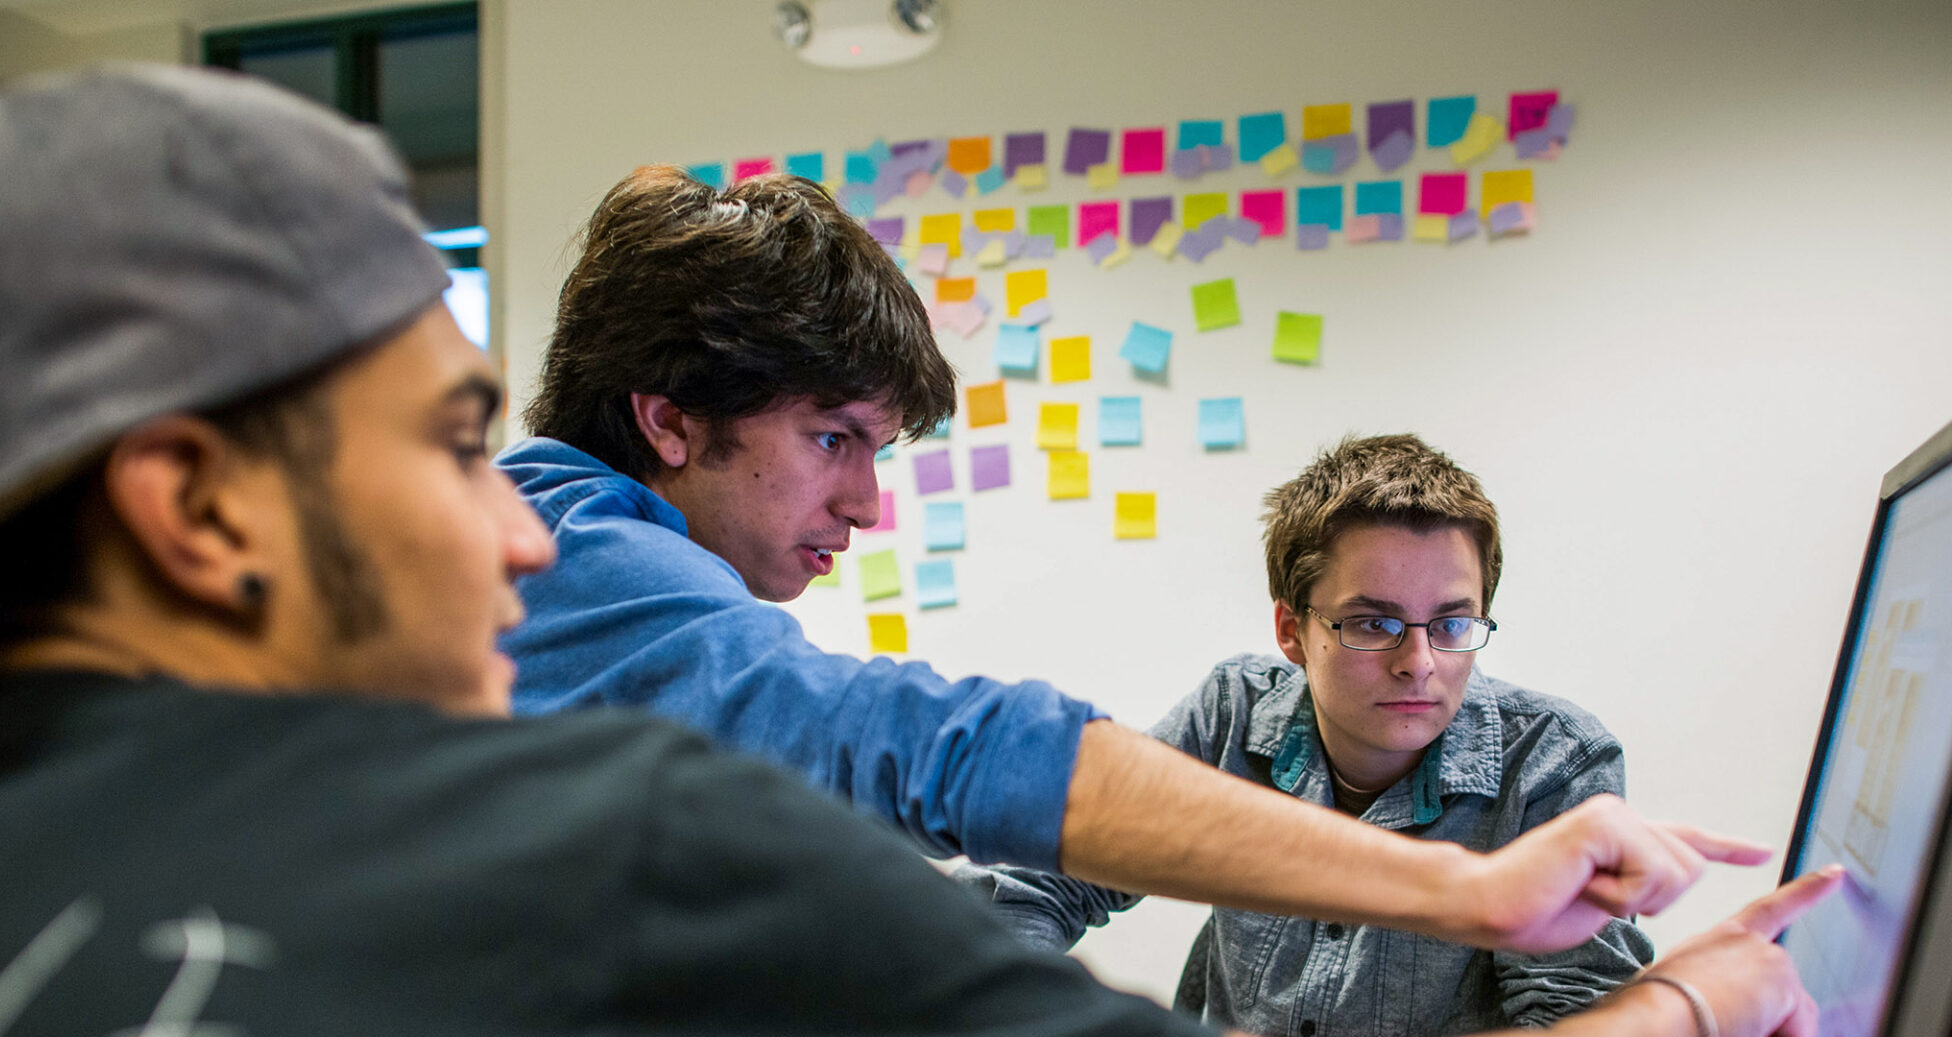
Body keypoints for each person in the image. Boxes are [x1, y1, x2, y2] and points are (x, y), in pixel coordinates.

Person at [0, 66, 1833, 1037]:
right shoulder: (612, 854)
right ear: (194, 509)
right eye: (457, 442)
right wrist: (1704, 991)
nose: (520, 540)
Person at [495, 167, 1754, 962]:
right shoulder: (582, 565)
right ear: (668, 418)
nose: (867, 505)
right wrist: (1462, 892)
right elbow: (941, 754)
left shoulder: (569, 546)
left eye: (1453, 624)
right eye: (833, 439)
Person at [967, 436, 1649, 1037]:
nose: (1419, 662)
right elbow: (1038, 882)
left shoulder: (1554, 764)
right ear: (1293, 631)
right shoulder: (1232, 716)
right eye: (1372, 623)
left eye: (1451, 623)